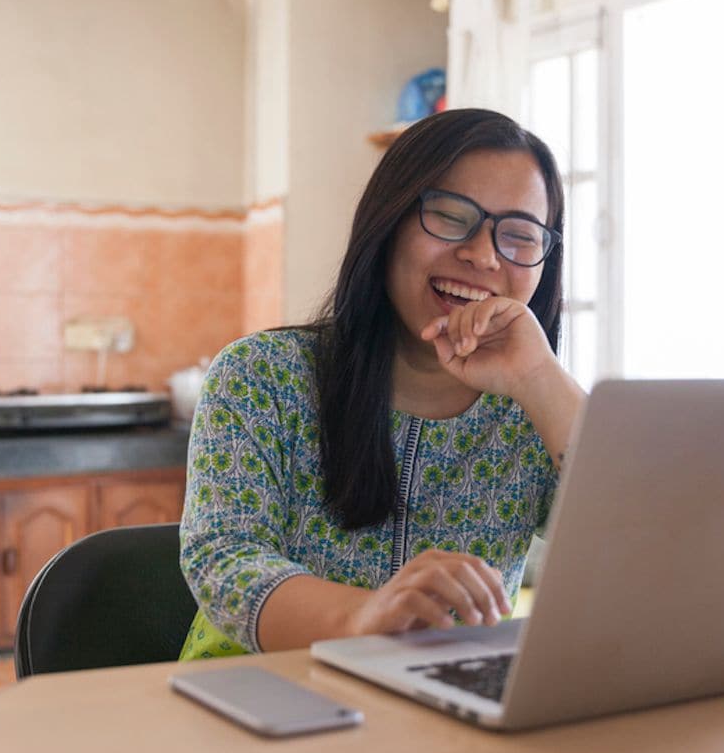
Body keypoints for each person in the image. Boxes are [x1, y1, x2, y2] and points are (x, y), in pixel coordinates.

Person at [178, 108, 586, 660]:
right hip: (259, 695)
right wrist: (362, 617)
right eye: (449, 215)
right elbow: (222, 558)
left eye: (518, 236)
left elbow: (642, 544)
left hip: (448, 709)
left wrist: (540, 379)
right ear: (388, 221)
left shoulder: (534, 405)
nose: (483, 255)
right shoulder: (261, 377)